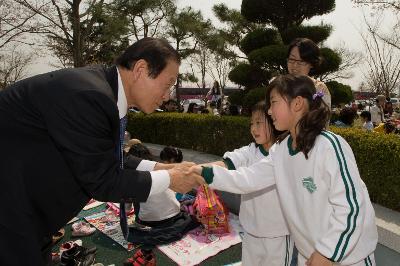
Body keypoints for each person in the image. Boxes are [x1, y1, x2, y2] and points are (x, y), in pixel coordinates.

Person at [0, 37, 204, 265]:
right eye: (168, 84)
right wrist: (170, 179)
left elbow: (108, 157)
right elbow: (104, 180)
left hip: (28, 213)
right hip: (11, 214)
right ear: (141, 69)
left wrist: (162, 168)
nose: (167, 96)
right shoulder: (89, 96)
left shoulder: (104, 91)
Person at [193, 74, 378, 266]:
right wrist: (204, 174)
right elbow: (249, 178)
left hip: (347, 257)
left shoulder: (329, 146)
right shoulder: (281, 150)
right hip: (312, 256)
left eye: (273, 103)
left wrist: (327, 253)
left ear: (297, 103)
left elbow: (352, 207)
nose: (270, 111)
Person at [202, 101, 292, 266]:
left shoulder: (283, 153)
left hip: (278, 235)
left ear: (274, 122)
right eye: (252, 123)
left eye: (259, 123)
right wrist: (196, 170)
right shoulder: (251, 151)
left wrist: (202, 174)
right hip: (251, 231)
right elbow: (229, 162)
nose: (253, 128)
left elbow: (248, 180)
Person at [125, 144, 199, 266]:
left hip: (149, 222)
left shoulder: (130, 178)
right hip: (175, 215)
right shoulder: (164, 170)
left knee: (137, 198)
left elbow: (127, 209)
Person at [287, 38, 331, 109]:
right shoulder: (278, 85)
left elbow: (323, 118)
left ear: (311, 64)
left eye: (301, 61)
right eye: (292, 59)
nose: (295, 65)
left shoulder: (319, 89)